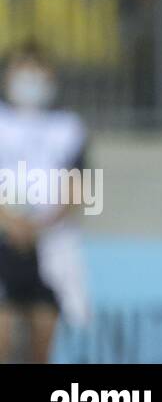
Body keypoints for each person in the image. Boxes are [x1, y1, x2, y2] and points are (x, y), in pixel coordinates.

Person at [0, 42, 91, 363]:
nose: (30, 79)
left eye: (38, 71)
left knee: (42, 334)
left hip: (49, 242)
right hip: (4, 238)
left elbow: (77, 189)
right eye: (22, 70)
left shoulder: (69, 128)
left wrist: (40, 226)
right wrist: (11, 222)